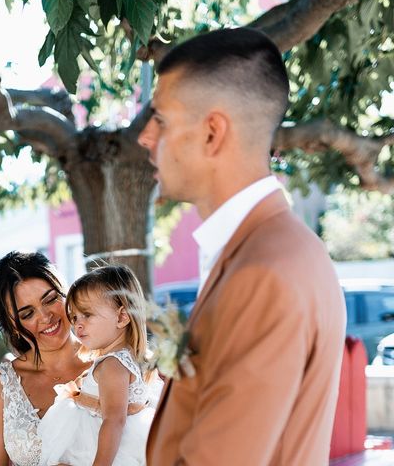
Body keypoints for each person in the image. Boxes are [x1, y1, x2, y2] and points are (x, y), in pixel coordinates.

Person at [137, 27, 346, 464]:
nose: (145, 139)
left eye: (160, 120)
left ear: (213, 133)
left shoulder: (263, 273)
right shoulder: (276, 249)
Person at [38, 265, 162, 466]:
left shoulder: (112, 364)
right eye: (75, 317)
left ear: (122, 317)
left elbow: (114, 421)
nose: (78, 324)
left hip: (100, 450)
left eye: (87, 315)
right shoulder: (125, 358)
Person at [0, 251, 90, 466]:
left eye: (50, 299)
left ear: (65, 293)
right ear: (12, 327)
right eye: (28, 314)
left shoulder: (110, 362)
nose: (46, 317)